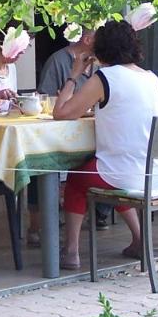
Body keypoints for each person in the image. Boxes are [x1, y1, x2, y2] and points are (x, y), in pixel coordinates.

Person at [52, 20, 158, 270]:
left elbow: (61, 113)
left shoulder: (105, 77)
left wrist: (73, 75)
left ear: (100, 49)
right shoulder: (152, 78)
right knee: (114, 171)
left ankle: (71, 251)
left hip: (126, 173)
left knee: (77, 178)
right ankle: (139, 240)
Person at [37, 28, 113, 232]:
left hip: (93, 135)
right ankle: (41, 223)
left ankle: (98, 214)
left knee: (99, 160)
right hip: (63, 131)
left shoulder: (104, 67)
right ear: (87, 40)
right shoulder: (59, 61)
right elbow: (47, 99)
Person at [37, 28, 96, 95]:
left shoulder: (102, 63)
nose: (105, 43)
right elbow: (45, 99)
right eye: (101, 39)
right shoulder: (57, 61)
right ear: (87, 40)